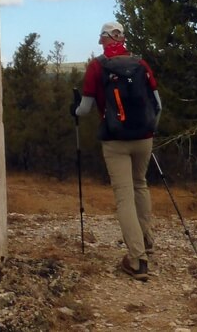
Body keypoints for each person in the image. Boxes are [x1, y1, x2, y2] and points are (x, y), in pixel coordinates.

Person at [73, 21, 161, 281]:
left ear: (103, 40)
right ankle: (146, 241)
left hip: (114, 139)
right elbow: (157, 103)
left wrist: (74, 109)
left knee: (124, 196)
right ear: (122, 38)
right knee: (140, 185)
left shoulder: (97, 67)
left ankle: (137, 260)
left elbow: (86, 108)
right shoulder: (141, 64)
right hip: (144, 136)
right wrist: (149, 128)